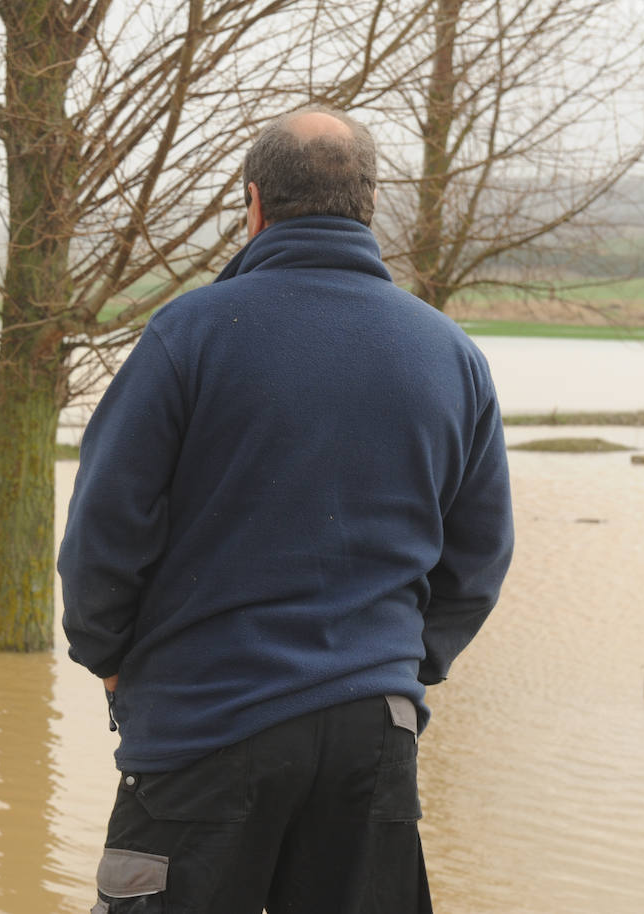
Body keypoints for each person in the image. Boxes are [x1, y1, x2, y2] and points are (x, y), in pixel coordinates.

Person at [58, 106, 514, 914]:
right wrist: (406, 668)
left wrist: (109, 658)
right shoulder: (451, 354)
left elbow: (103, 530)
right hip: (373, 737)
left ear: (254, 202)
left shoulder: (187, 334)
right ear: (370, 203)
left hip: (204, 725)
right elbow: (477, 562)